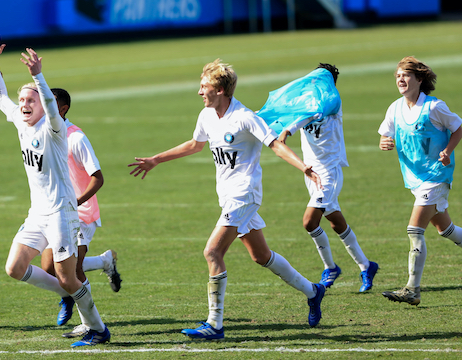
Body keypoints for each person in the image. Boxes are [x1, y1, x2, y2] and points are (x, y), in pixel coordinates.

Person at [128, 59, 326, 340]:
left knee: (212, 252)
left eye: (204, 86)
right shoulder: (206, 115)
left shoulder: (245, 117)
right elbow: (195, 144)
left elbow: (275, 145)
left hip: (244, 195)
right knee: (261, 256)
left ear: (220, 90)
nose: (199, 92)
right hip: (227, 195)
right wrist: (156, 159)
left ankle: (215, 325)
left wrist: (303, 166)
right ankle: (313, 291)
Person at [0, 32, 110, 346]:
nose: (23, 104)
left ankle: (97, 328)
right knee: (14, 267)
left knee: (68, 277)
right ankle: (73, 301)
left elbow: (51, 106)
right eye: (22, 100)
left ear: (43, 105)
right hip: (38, 212)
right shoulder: (20, 121)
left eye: (30, 100)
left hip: (62, 213)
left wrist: (38, 77)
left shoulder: (54, 129)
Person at [273, 64, 378, 292]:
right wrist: (285, 128)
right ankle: (366, 265)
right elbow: (301, 116)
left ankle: (330, 268)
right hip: (311, 173)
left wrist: (288, 131)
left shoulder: (332, 103)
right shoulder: (307, 104)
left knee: (310, 222)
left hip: (328, 173)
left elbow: (314, 114)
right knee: (336, 222)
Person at [378, 56, 462, 306]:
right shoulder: (395, 108)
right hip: (415, 180)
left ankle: (412, 290)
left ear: (419, 79)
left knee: (414, 230)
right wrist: (384, 142)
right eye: (397, 76)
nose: (400, 79)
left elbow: (458, 127)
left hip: (436, 175)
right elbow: (385, 134)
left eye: (405, 75)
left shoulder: (434, 107)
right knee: (445, 229)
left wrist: (447, 151)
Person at [38, 87, 122, 338]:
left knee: (73, 272)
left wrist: (76, 201)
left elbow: (98, 178)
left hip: (82, 213)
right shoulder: (46, 135)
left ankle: (91, 325)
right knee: (49, 267)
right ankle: (105, 262)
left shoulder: (76, 138)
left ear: (62, 109)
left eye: (49, 104)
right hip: (57, 212)